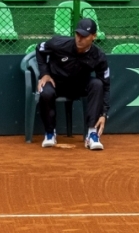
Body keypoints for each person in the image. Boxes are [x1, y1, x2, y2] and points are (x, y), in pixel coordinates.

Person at [35, 18, 110, 150]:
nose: (79, 39)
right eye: (78, 35)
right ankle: (49, 132)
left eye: (84, 36)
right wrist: (44, 73)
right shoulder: (59, 43)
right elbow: (40, 48)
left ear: (94, 36)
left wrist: (104, 114)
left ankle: (92, 134)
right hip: (56, 83)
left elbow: (106, 85)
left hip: (79, 86)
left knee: (97, 84)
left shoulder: (98, 56)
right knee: (45, 91)